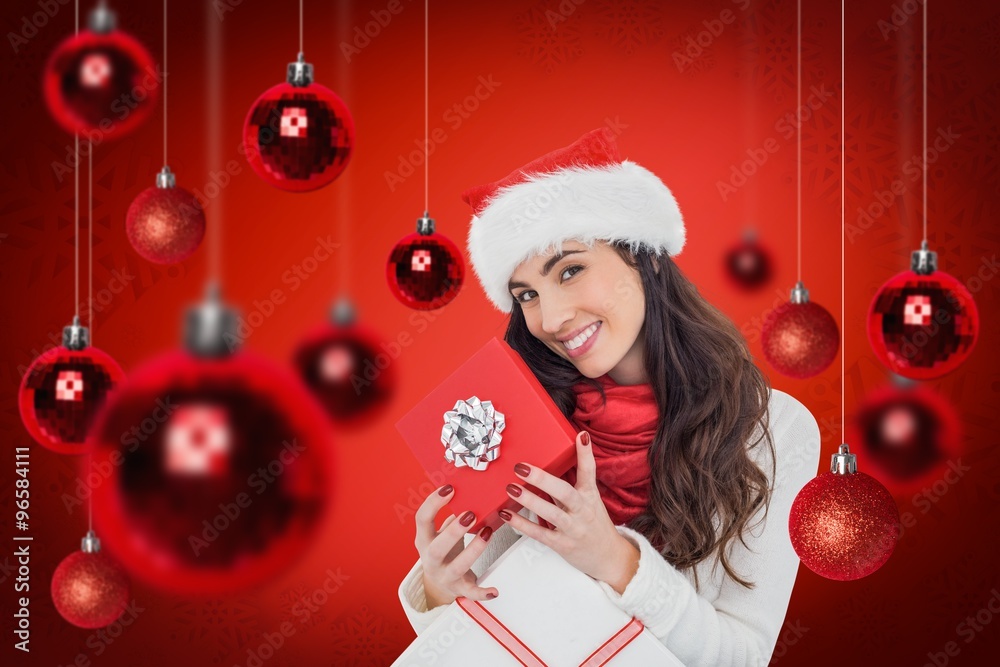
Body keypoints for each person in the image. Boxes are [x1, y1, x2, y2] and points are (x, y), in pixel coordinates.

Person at [397, 127, 821, 666]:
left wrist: (615, 561)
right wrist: (441, 591)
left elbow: (742, 658)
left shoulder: (774, 429)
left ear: (642, 258)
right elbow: (491, 633)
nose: (550, 319)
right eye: (526, 295)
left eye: (570, 270)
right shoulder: (525, 418)